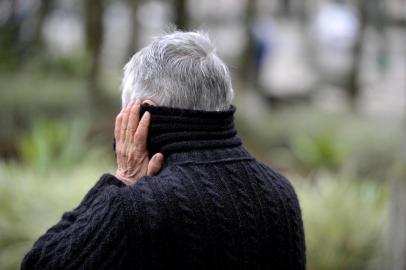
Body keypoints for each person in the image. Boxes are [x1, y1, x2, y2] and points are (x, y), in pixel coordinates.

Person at [21, 31, 306, 270]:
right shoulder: (281, 192)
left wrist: (122, 180)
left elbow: (40, 262)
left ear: (143, 114)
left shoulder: (140, 207)